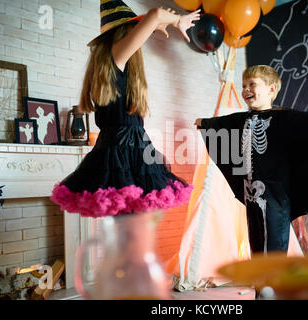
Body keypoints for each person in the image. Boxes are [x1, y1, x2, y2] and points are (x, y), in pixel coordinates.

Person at [195, 65, 308, 254]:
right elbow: (221, 123)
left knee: (274, 241)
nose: (246, 89)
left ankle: (272, 281)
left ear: (271, 89)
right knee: (256, 240)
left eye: (252, 84)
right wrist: (204, 123)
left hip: (275, 194)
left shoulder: (283, 118)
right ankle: (261, 282)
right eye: (244, 85)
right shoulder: (241, 120)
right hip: (251, 193)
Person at [51, 1, 200, 217]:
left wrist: (153, 24)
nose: (139, 38)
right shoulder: (116, 56)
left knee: (128, 224)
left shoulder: (111, 66)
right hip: (124, 152)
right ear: (123, 33)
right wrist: (178, 20)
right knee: (130, 225)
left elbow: (154, 19)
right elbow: (156, 14)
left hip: (122, 147)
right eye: (134, 30)